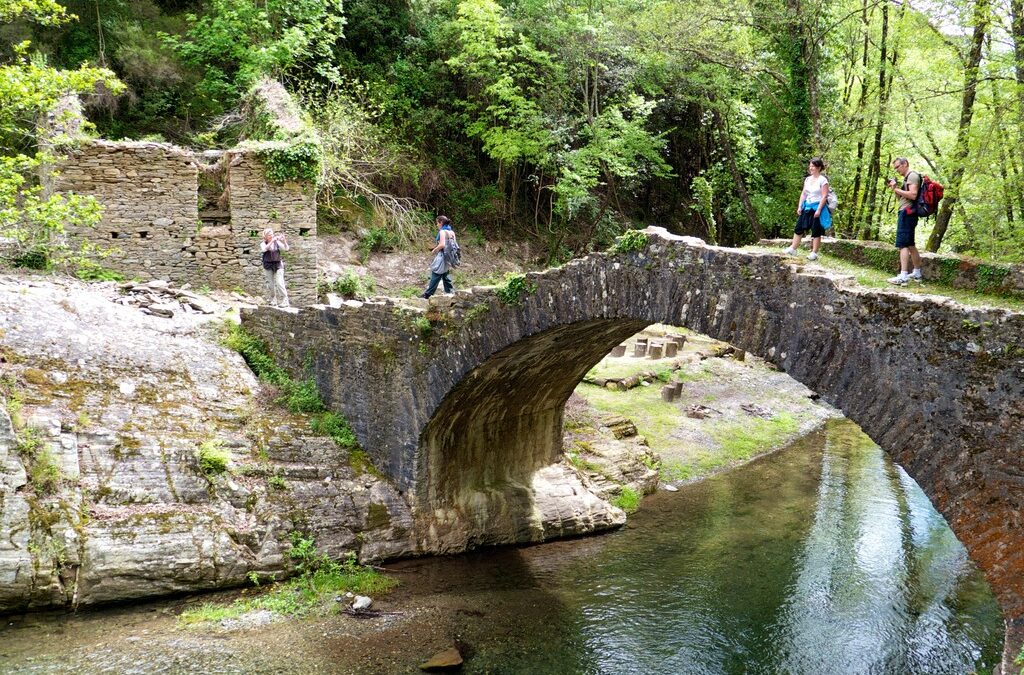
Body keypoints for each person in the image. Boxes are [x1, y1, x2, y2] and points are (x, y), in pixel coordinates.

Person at [784, 158, 831, 261]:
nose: (811, 168)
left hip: (817, 208)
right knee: (799, 228)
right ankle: (793, 248)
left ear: (819, 167)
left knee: (816, 231)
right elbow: (804, 193)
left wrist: (818, 210)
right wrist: (800, 206)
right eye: (810, 166)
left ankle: (814, 253)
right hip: (807, 206)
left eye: (813, 166)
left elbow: (824, 196)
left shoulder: (823, 180)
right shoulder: (808, 179)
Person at [886, 157, 924, 285]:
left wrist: (896, 189)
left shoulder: (912, 176)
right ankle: (917, 273)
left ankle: (903, 275)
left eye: (897, 167)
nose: (896, 170)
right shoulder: (907, 178)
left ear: (905, 164)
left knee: (902, 244)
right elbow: (902, 197)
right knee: (910, 244)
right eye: (895, 168)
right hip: (907, 212)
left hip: (907, 213)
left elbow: (913, 195)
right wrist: (895, 187)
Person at [421, 216, 456, 299]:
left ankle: (428, 294)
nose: (436, 224)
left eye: (437, 223)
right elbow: (454, 245)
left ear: (441, 223)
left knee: (436, 272)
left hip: (442, 255)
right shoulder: (451, 232)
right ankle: (450, 292)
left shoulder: (442, 232)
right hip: (450, 256)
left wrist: (435, 249)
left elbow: (442, 244)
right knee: (445, 274)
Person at [260, 228, 290, 307]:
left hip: (278, 264)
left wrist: (284, 241)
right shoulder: (263, 243)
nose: (271, 236)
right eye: (269, 235)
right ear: (265, 237)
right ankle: (273, 299)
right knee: (270, 284)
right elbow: (264, 249)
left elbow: (286, 248)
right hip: (268, 265)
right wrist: (272, 241)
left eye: (272, 234)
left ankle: (285, 300)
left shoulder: (277, 242)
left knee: (279, 282)